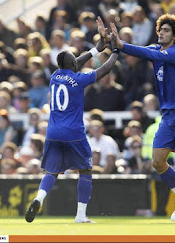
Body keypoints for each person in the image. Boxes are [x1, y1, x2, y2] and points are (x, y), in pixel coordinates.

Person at [100, 14, 175, 223]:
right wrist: (114, 43)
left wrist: (121, 43)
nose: (161, 33)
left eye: (166, 30)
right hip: (168, 116)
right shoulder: (157, 51)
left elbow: (143, 52)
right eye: (160, 29)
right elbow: (141, 51)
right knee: (157, 161)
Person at [25, 17, 120, 224]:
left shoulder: (55, 77)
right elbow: (104, 70)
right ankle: (80, 215)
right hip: (73, 132)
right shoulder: (79, 79)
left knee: (53, 171)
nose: (76, 59)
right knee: (85, 170)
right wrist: (114, 51)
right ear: (72, 64)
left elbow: (77, 61)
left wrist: (96, 49)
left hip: (52, 132)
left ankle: (39, 198)